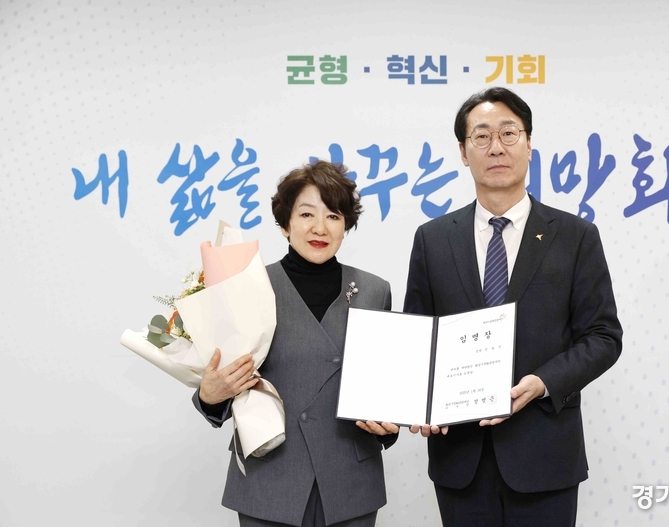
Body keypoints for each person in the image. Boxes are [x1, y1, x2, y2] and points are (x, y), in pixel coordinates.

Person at [404, 87, 623, 527]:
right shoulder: (433, 239)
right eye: (481, 136)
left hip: (545, 455)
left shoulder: (575, 236)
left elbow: (603, 337)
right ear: (463, 152)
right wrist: (418, 403)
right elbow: (417, 337)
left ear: (529, 144)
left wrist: (543, 382)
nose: (496, 147)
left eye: (509, 133)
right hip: (460, 459)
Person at [193, 160, 399, 527]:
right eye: (306, 214)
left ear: (346, 225)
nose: (320, 227)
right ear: (285, 223)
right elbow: (224, 378)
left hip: (350, 481)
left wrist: (391, 422)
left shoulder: (374, 291)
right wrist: (210, 397)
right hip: (271, 476)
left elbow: (385, 386)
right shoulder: (247, 286)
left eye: (334, 216)